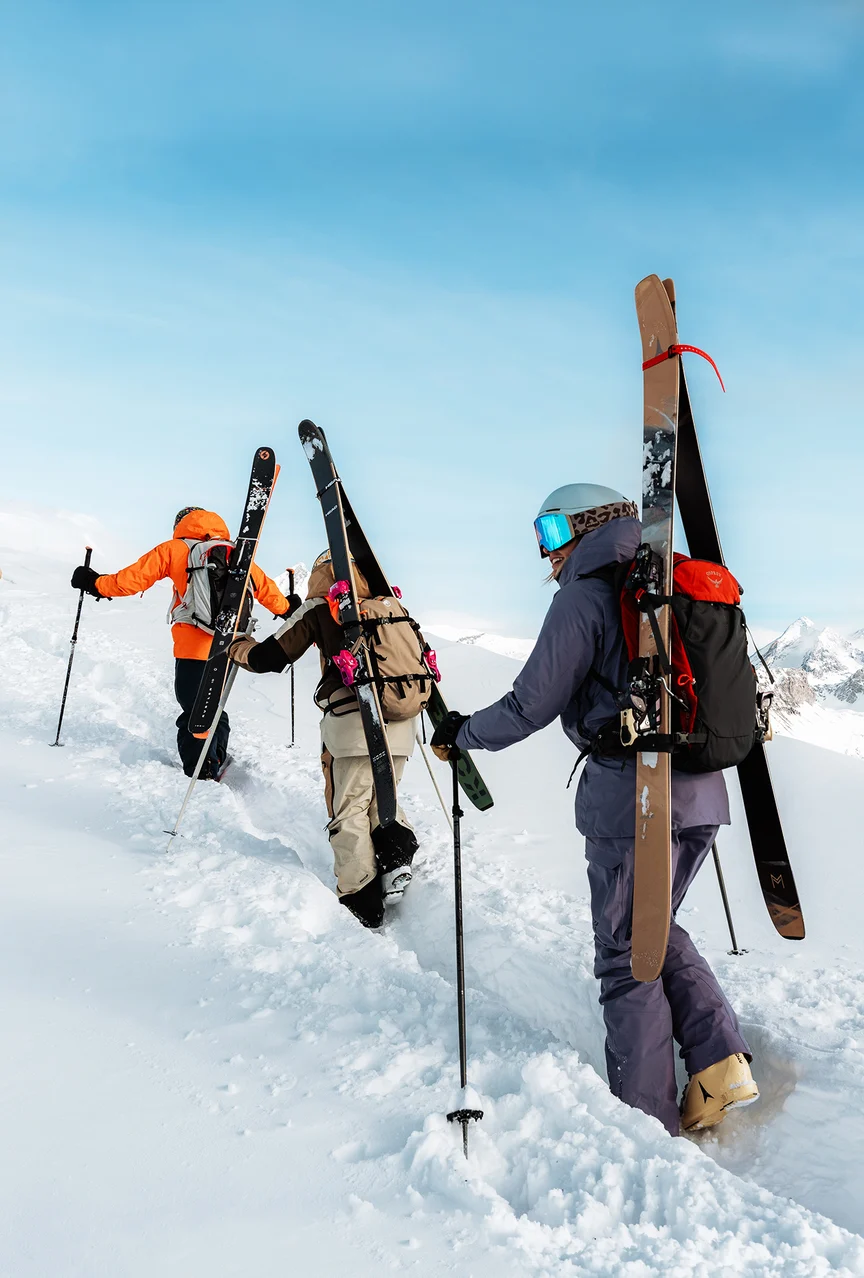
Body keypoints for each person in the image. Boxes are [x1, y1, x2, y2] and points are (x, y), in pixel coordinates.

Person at [430, 484, 758, 1137]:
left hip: (633, 801)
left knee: (625, 953)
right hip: (701, 791)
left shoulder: (585, 596)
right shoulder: (665, 583)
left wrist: (462, 733)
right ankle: (721, 1064)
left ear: (586, 526)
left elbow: (530, 704)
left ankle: (645, 1122)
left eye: (551, 532)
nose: (545, 553)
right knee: (652, 928)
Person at [228, 550, 426, 929]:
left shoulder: (321, 606)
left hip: (352, 722)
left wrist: (236, 645)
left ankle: (361, 897)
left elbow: (269, 657)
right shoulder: (388, 605)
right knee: (383, 795)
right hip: (401, 722)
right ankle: (397, 856)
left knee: (348, 805)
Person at [70, 508, 295, 779]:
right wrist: (287, 607)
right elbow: (267, 590)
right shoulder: (236, 552)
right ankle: (216, 756)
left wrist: (93, 583)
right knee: (214, 702)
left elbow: (130, 581)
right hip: (229, 645)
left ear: (181, 524)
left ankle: (200, 770)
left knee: (194, 708)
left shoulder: (175, 549)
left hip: (192, 646)